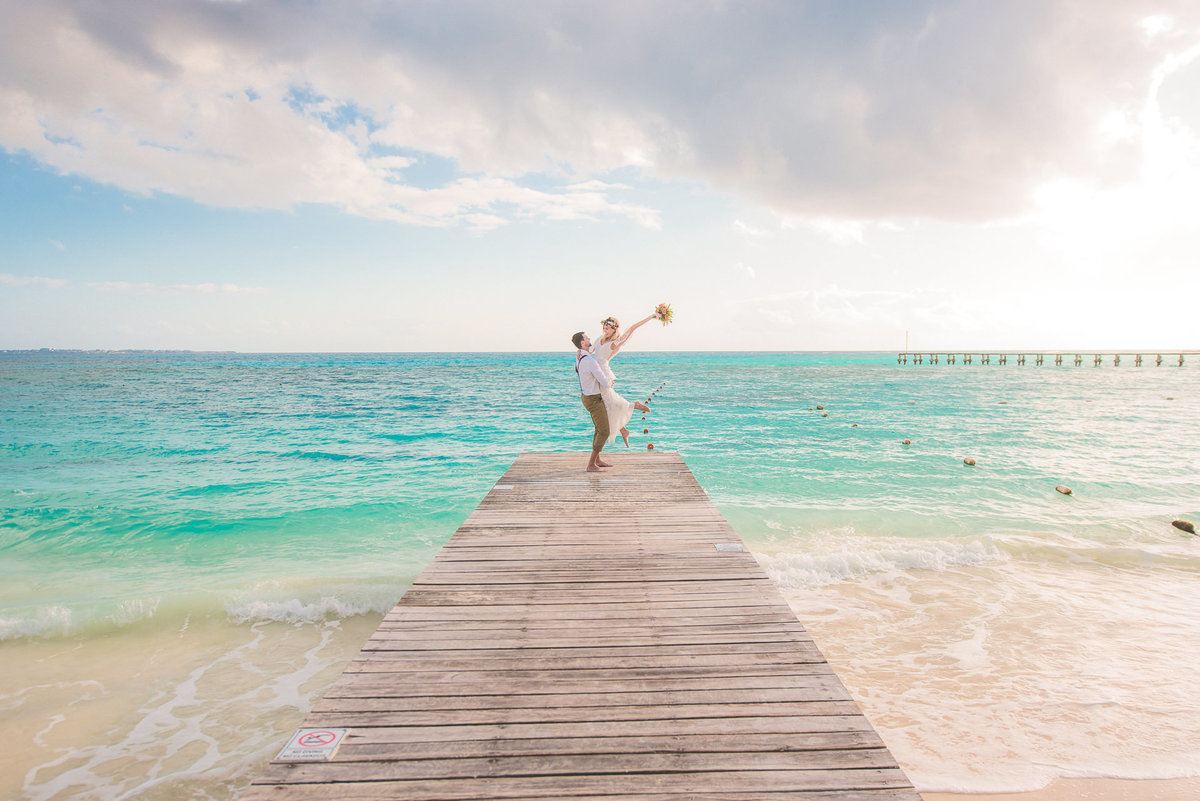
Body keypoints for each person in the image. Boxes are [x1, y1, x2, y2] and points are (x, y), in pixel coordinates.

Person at [591, 314, 654, 447]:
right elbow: (589, 351)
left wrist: (652, 316)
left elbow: (632, 329)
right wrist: (580, 352)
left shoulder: (614, 344)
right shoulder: (599, 339)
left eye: (608, 328)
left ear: (614, 330)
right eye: (604, 327)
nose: (605, 329)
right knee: (607, 406)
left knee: (607, 406)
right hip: (596, 374)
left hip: (604, 375)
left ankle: (633, 407)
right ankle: (624, 428)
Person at [572, 331, 613, 472]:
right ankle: (591, 464)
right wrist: (610, 383)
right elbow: (604, 382)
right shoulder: (589, 361)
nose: (589, 338)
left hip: (587, 397)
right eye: (586, 337)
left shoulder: (580, 357)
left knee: (598, 428)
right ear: (583, 343)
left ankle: (597, 459)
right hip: (593, 399)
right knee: (604, 431)